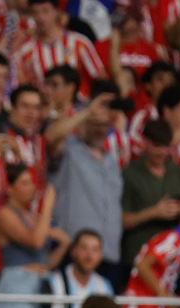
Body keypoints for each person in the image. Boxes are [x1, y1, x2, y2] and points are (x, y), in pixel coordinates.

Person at [46, 90, 124, 291]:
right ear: (81, 123)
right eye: (94, 123)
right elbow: (51, 136)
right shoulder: (69, 150)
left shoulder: (112, 161)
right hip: (72, 252)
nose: (100, 130)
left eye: (104, 126)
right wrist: (87, 111)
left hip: (108, 253)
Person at [0, 164, 70, 308]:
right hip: (16, 285)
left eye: (32, 183)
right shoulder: (5, 214)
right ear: (10, 189)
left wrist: (64, 245)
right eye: (25, 183)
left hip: (41, 284)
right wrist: (48, 204)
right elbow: (34, 240)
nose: (31, 188)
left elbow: (45, 262)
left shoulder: (35, 218)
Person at [121, 118, 180, 280]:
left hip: (176, 263)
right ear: (144, 141)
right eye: (157, 145)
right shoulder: (129, 174)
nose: (162, 152)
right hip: (138, 260)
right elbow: (120, 221)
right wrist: (153, 212)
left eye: (166, 146)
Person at [15, 0, 105, 98]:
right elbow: (23, 86)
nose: (40, 17)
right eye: (35, 13)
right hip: (44, 108)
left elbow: (100, 78)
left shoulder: (79, 42)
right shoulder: (26, 51)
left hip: (78, 107)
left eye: (45, 11)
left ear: (57, 12)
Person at [50, 230, 115, 308]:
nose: (89, 255)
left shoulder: (104, 286)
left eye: (95, 250)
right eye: (84, 248)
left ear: (101, 256)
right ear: (73, 251)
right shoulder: (56, 281)